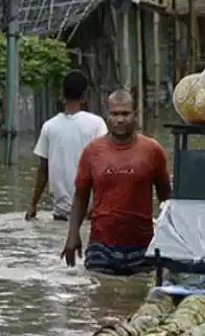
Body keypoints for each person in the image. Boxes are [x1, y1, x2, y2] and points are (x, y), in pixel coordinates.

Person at [61, 88, 173, 276]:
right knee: (100, 298)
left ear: (135, 114)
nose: (120, 119)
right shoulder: (92, 151)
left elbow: (166, 199)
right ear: (107, 116)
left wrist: (170, 240)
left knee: (137, 300)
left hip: (142, 247)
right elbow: (80, 197)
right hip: (101, 246)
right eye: (114, 114)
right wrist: (73, 236)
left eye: (125, 114)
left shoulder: (152, 150)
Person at [25, 71, 108, 221]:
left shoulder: (49, 127)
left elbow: (43, 170)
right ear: (85, 96)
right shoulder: (97, 124)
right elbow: (104, 167)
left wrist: (33, 204)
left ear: (62, 95)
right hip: (89, 214)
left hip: (60, 214)